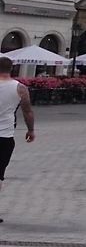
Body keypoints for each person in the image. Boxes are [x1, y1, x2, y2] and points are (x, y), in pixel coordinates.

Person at [0, 56, 36, 223]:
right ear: (12, 69)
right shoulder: (20, 88)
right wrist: (31, 130)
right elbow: (27, 112)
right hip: (5, 136)